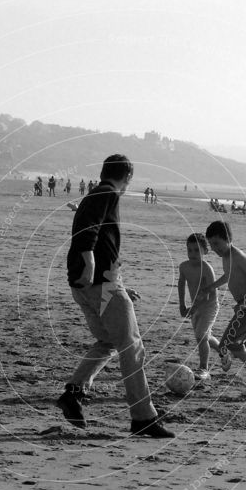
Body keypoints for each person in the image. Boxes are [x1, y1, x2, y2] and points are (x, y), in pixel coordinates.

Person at [57, 154, 174, 438]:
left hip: (89, 286)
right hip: (100, 284)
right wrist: (92, 264)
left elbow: (97, 237)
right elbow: (88, 229)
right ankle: (142, 417)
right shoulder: (108, 193)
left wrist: (116, 281)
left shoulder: (95, 194)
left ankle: (74, 392)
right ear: (128, 178)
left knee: (108, 341)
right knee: (132, 348)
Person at [199, 220, 246, 398]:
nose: (214, 248)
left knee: (230, 342)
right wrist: (211, 287)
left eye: (217, 243)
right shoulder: (226, 258)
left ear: (228, 239)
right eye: (211, 244)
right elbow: (227, 276)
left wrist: (245, 302)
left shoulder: (237, 255)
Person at [178, 233, 220, 381]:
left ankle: (204, 369)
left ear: (205, 251)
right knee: (205, 336)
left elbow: (209, 294)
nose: (192, 253)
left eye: (197, 250)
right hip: (195, 307)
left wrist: (195, 307)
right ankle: (223, 349)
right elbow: (181, 284)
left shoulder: (207, 269)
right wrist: (182, 305)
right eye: (189, 250)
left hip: (209, 306)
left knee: (201, 335)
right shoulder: (184, 266)